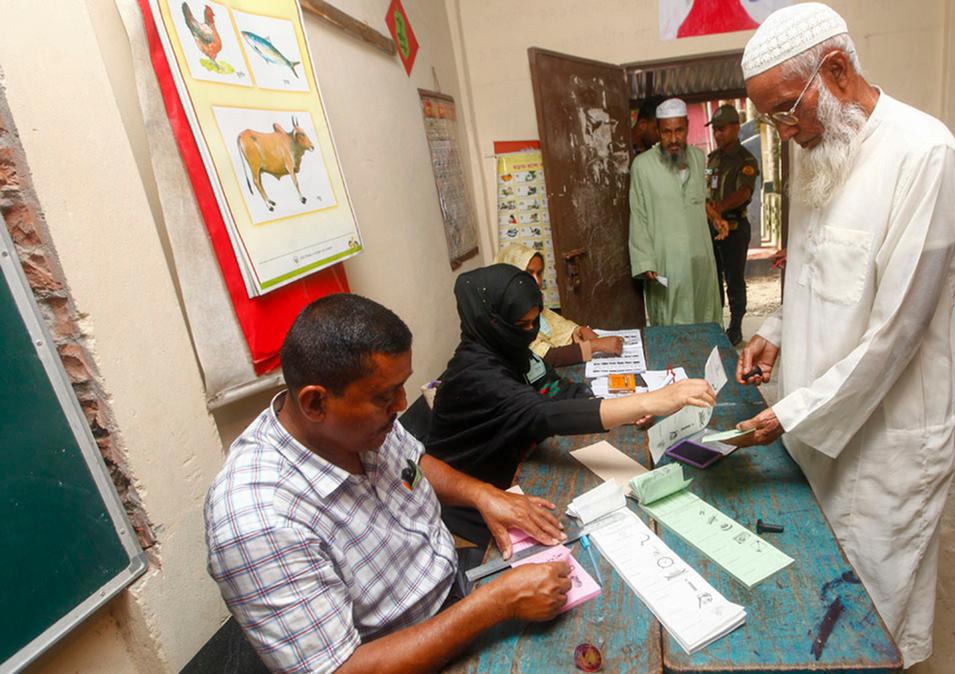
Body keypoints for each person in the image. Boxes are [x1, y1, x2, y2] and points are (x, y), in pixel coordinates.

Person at [729, 4, 955, 667]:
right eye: (769, 119)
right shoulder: (817, 146)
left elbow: (895, 332)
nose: (781, 131)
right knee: (817, 584)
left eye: (784, 111)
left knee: (875, 601)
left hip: (883, 434)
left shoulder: (923, 154)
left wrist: (788, 412)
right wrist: (774, 330)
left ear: (833, 71)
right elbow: (812, 273)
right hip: (814, 413)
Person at [205, 294, 574, 673]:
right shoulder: (257, 520)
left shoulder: (361, 424)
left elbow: (414, 463)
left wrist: (482, 494)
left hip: (457, 594)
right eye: (385, 396)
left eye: (402, 387)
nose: (400, 405)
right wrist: (497, 603)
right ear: (315, 404)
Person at [425, 263, 715, 543]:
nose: (529, 333)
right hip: (472, 501)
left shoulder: (511, 351)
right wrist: (649, 401)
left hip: (520, 465)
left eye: (533, 323)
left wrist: (619, 408)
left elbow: (557, 390)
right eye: (521, 324)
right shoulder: (476, 374)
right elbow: (543, 413)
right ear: (492, 321)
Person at [628, 97, 723, 326]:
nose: (673, 139)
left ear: (688, 127)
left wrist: (716, 217)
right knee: (670, 322)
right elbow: (638, 214)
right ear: (658, 132)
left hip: (700, 259)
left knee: (704, 316)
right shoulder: (642, 165)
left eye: (679, 130)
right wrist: (645, 261)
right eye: (666, 132)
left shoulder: (700, 159)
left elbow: (701, 199)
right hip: (666, 261)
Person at [494, 243, 623, 367]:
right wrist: (595, 346)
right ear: (511, 274)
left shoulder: (531, 302)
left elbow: (556, 326)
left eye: (539, 273)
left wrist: (579, 330)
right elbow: (540, 356)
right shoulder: (505, 311)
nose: (537, 281)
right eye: (529, 273)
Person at [705, 103, 760, 345]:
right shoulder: (712, 159)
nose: (717, 134)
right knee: (712, 279)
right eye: (715, 129)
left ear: (736, 127)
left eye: (722, 129)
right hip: (710, 229)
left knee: (734, 280)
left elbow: (744, 193)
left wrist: (720, 208)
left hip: (735, 230)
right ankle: (715, 324)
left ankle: (736, 326)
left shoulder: (745, 159)